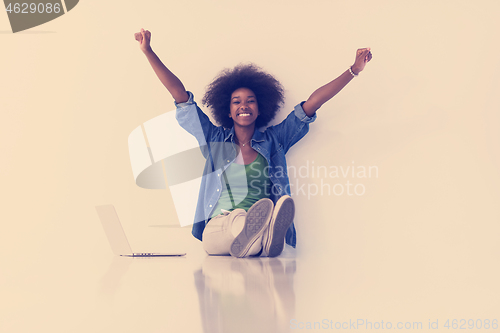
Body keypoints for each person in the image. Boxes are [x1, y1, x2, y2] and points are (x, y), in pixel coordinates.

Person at [135, 28, 372, 258]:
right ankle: (263, 237)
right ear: (228, 111)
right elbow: (181, 97)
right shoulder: (213, 139)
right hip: (219, 226)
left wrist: (353, 70)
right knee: (236, 224)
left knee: (249, 228)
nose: (244, 106)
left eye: (250, 101)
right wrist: (149, 52)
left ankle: (259, 237)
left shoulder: (274, 140)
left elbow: (312, 103)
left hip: (255, 224)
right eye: (236, 102)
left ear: (260, 109)